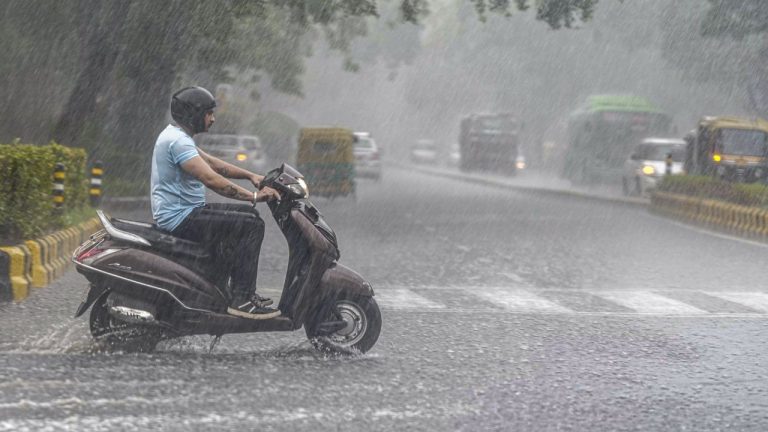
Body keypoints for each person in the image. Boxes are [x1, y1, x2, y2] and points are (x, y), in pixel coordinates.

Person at [150, 86, 281, 319]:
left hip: (187, 213)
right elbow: (211, 179)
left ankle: (231, 291)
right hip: (181, 218)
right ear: (194, 114)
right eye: (209, 113)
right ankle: (241, 298)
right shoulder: (177, 142)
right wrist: (253, 197)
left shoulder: (177, 136)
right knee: (251, 225)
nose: (213, 118)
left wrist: (251, 176)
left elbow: (214, 164)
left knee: (249, 217)